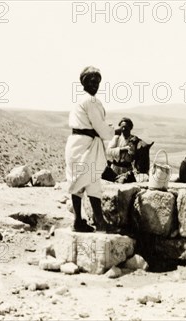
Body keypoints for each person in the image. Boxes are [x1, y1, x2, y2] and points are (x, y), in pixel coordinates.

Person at [65, 66, 114, 233]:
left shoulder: (79, 101)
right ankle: (99, 222)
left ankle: (79, 221)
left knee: (79, 181)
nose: (95, 85)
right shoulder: (91, 101)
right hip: (86, 144)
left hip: (77, 144)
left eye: (97, 82)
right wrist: (112, 131)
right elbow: (99, 126)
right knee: (91, 182)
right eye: (92, 81)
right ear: (84, 82)